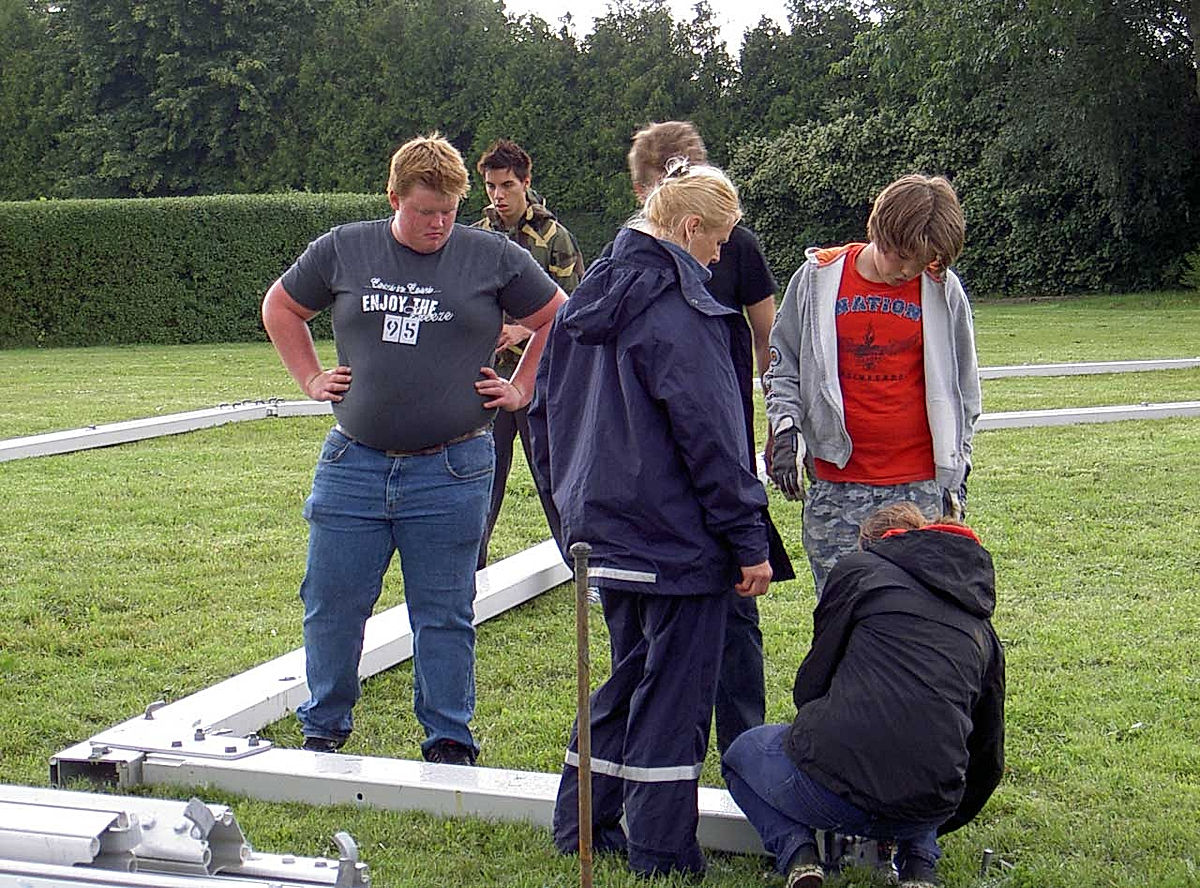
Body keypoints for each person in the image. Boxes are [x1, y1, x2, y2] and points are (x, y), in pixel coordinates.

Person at [261, 133, 567, 766]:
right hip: (354, 460)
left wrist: (522, 387)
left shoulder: (492, 256)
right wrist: (311, 377)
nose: (438, 225)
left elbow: (559, 315)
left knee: (445, 609)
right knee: (332, 601)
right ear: (394, 198)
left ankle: (449, 738)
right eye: (425, 212)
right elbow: (281, 307)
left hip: (453, 466)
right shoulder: (345, 248)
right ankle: (324, 725)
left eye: (449, 212)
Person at [528, 160, 772, 877]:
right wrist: (748, 539)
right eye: (719, 241)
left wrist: (570, 517)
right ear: (690, 228)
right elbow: (714, 438)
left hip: (602, 534)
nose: (720, 257)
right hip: (678, 541)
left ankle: (582, 824)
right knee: (674, 692)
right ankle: (663, 852)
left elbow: (541, 417)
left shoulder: (581, 304)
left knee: (626, 678)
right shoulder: (681, 314)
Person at [722, 503, 1005, 888]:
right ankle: (920, 866)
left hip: (832, 792)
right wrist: (942, 815)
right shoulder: (982, 628)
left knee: (742, 753)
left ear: (873, 545)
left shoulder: (859, 572)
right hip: (929, 804)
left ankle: (798, 855)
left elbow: (810, 686)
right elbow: (988, 754)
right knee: (921, 752)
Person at [624, 120, 796, 758]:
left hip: (721, 439)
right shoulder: (628, 262)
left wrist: (775, 418)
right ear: (644, 192)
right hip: (656, 463)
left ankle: (742, 744)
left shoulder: (735, 246)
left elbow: (767, 337)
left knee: (737, 606)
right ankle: (656, 743)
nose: (715, 254)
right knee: (648, 623)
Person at [765, 173, 981, 598]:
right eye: (901, 256)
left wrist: (958, 465)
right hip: (837, 485)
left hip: (919, 485)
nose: (907, 271)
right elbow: (783, 365)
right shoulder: (818, 279)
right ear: (879, 230)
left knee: (916, 612)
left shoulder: (942, 290)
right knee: (842, 607)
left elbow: (964, 387)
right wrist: (786, 427)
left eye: (922, 261)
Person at [470, 138, 584, 570]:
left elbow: (572, 309)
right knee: (482, 478)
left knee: (554, 479)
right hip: (487, 378)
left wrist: (522, 328)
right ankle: (471, 571)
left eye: (507, 185)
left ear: (526, 183)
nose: (498, 195)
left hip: (541, 380)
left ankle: (582, 569)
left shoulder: (555, 238)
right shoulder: (475, 237)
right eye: (491, 186)